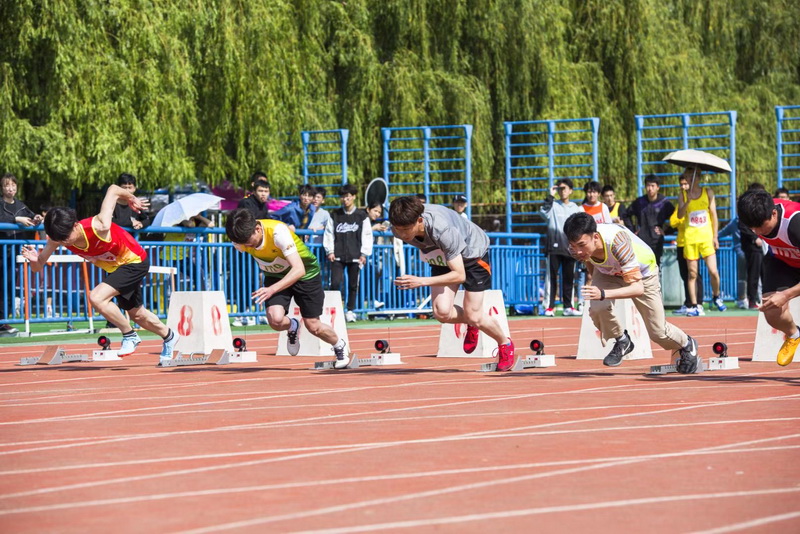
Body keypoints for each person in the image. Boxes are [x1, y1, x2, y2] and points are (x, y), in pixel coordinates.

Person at [20, 185, 178, 362]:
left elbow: (113, 189)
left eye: (66, 238)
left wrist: (131, 198)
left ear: (75, 225)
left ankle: (130, 335)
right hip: (115, 268)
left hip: (134, 261)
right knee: (138, 315)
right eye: (60, 240)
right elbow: (38, 266)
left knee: (96, 297)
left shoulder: (100, 224)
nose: (64, 243)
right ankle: (169, 336)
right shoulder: (58, 238)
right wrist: (34, 260)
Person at [388, 195, 516, 371]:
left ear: (419, 221)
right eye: (397, 229)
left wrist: (421, 281)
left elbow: (459, 275)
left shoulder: (442, 230)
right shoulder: (397, 227)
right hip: (441, 255)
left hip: (473, 254)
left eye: (405, 229)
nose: (401, 234)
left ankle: (504, 343)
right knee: (441, 312)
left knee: (474, 315)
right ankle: (472, 322)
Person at [564, 212, 700, 372]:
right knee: (597, 308)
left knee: (658, 332)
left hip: (643, 274)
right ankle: (622, 340)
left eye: (582, 245)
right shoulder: (575, 248)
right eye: (574, 246)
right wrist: (596, 284)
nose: (578, 251)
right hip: (609, 271)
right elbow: (588, 260)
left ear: (595, 237)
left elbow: (637, 288)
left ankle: (687, 343)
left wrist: (603, 294)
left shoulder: (618, 243)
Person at [225, 208, 351, 368]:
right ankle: (293, 326)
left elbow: (299, 269)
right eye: (243, 243)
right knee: (275, 320)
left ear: (257, 229)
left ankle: (339, 345)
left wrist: (271, 289)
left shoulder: (278, 232)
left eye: (249, 242)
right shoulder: (239, 241)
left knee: (313, 326)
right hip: (276, 275)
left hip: (305, 274)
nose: (248, 246)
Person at [737, 189, 800, 366]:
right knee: (771, 311)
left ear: (774, 214)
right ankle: (794, 334)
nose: (757, 231)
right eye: (753, 228)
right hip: (781, 260)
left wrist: (786, 294)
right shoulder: (754, 214)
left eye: (760, 226)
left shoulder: (795, 223)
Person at [676, 167, 726, 315]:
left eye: (693, 177)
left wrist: (715, 236)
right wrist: (687, 202)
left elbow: (714, 215)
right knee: (692, 274)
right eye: (688, 177)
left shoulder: (708, 192)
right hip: (690, 239)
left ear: (698, 178)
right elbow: (679, 215)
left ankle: (716, 296)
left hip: (706, 238)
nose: (690, 180)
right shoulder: (683, 195)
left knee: (713, 271)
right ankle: (695, 306)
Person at [324, 184, 373, 323]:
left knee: (353, 285)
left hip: (356, 256)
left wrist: (364, 253)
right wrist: (330, 250)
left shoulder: (362, 216)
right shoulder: (335, 215)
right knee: (335, 283)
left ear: (354, 197)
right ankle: (334, 309)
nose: (345, 199)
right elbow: (329, 233)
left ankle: (350, 310)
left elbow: (367, 235)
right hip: (337, 255)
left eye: (348, 196)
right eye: (343, 197)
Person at [0, 173, 42, 335]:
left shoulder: (21, 205)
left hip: (14, 253)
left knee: (10, 286)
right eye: (7, 185)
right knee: (1, 286)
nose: (10, 188)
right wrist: (17, 220)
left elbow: (32, 217)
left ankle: (4, 321)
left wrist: (37, 218)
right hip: (2, 252)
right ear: (2, 188)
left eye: (13, 185)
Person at [539, 178, 582, 316]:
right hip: (554, 247)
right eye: (560, 189)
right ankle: (549, 307)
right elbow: (543, 212)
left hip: (570, 248)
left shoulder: (576, 208)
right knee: (551, 279)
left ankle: (568, 307)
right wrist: (550, 195)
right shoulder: (553, 205)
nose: (562, 191)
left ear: (570, 191)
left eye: (564, 188)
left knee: (569, 279)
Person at [669, 174, 705, 315]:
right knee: (685, 275)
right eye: (681, 184)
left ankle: (698, 303)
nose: (683, 187)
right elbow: (674, 221)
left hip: (693, 241)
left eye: (686, 184)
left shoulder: (696, 201)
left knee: (695, 274)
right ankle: (688, 303)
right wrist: (683, 217)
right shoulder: (682, 201)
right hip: (681, 243)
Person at [628, 174, 674, 267]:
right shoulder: (640, 202)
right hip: (642, 240)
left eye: (653, 186)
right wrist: (633, 230)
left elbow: (676, 218)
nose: (650, 189)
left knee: (655, 267)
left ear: (658, 187)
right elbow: (626, 215)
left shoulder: (664, 203)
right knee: (642, 267)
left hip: (657, 240)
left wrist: (666, 231)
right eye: (648, 186)